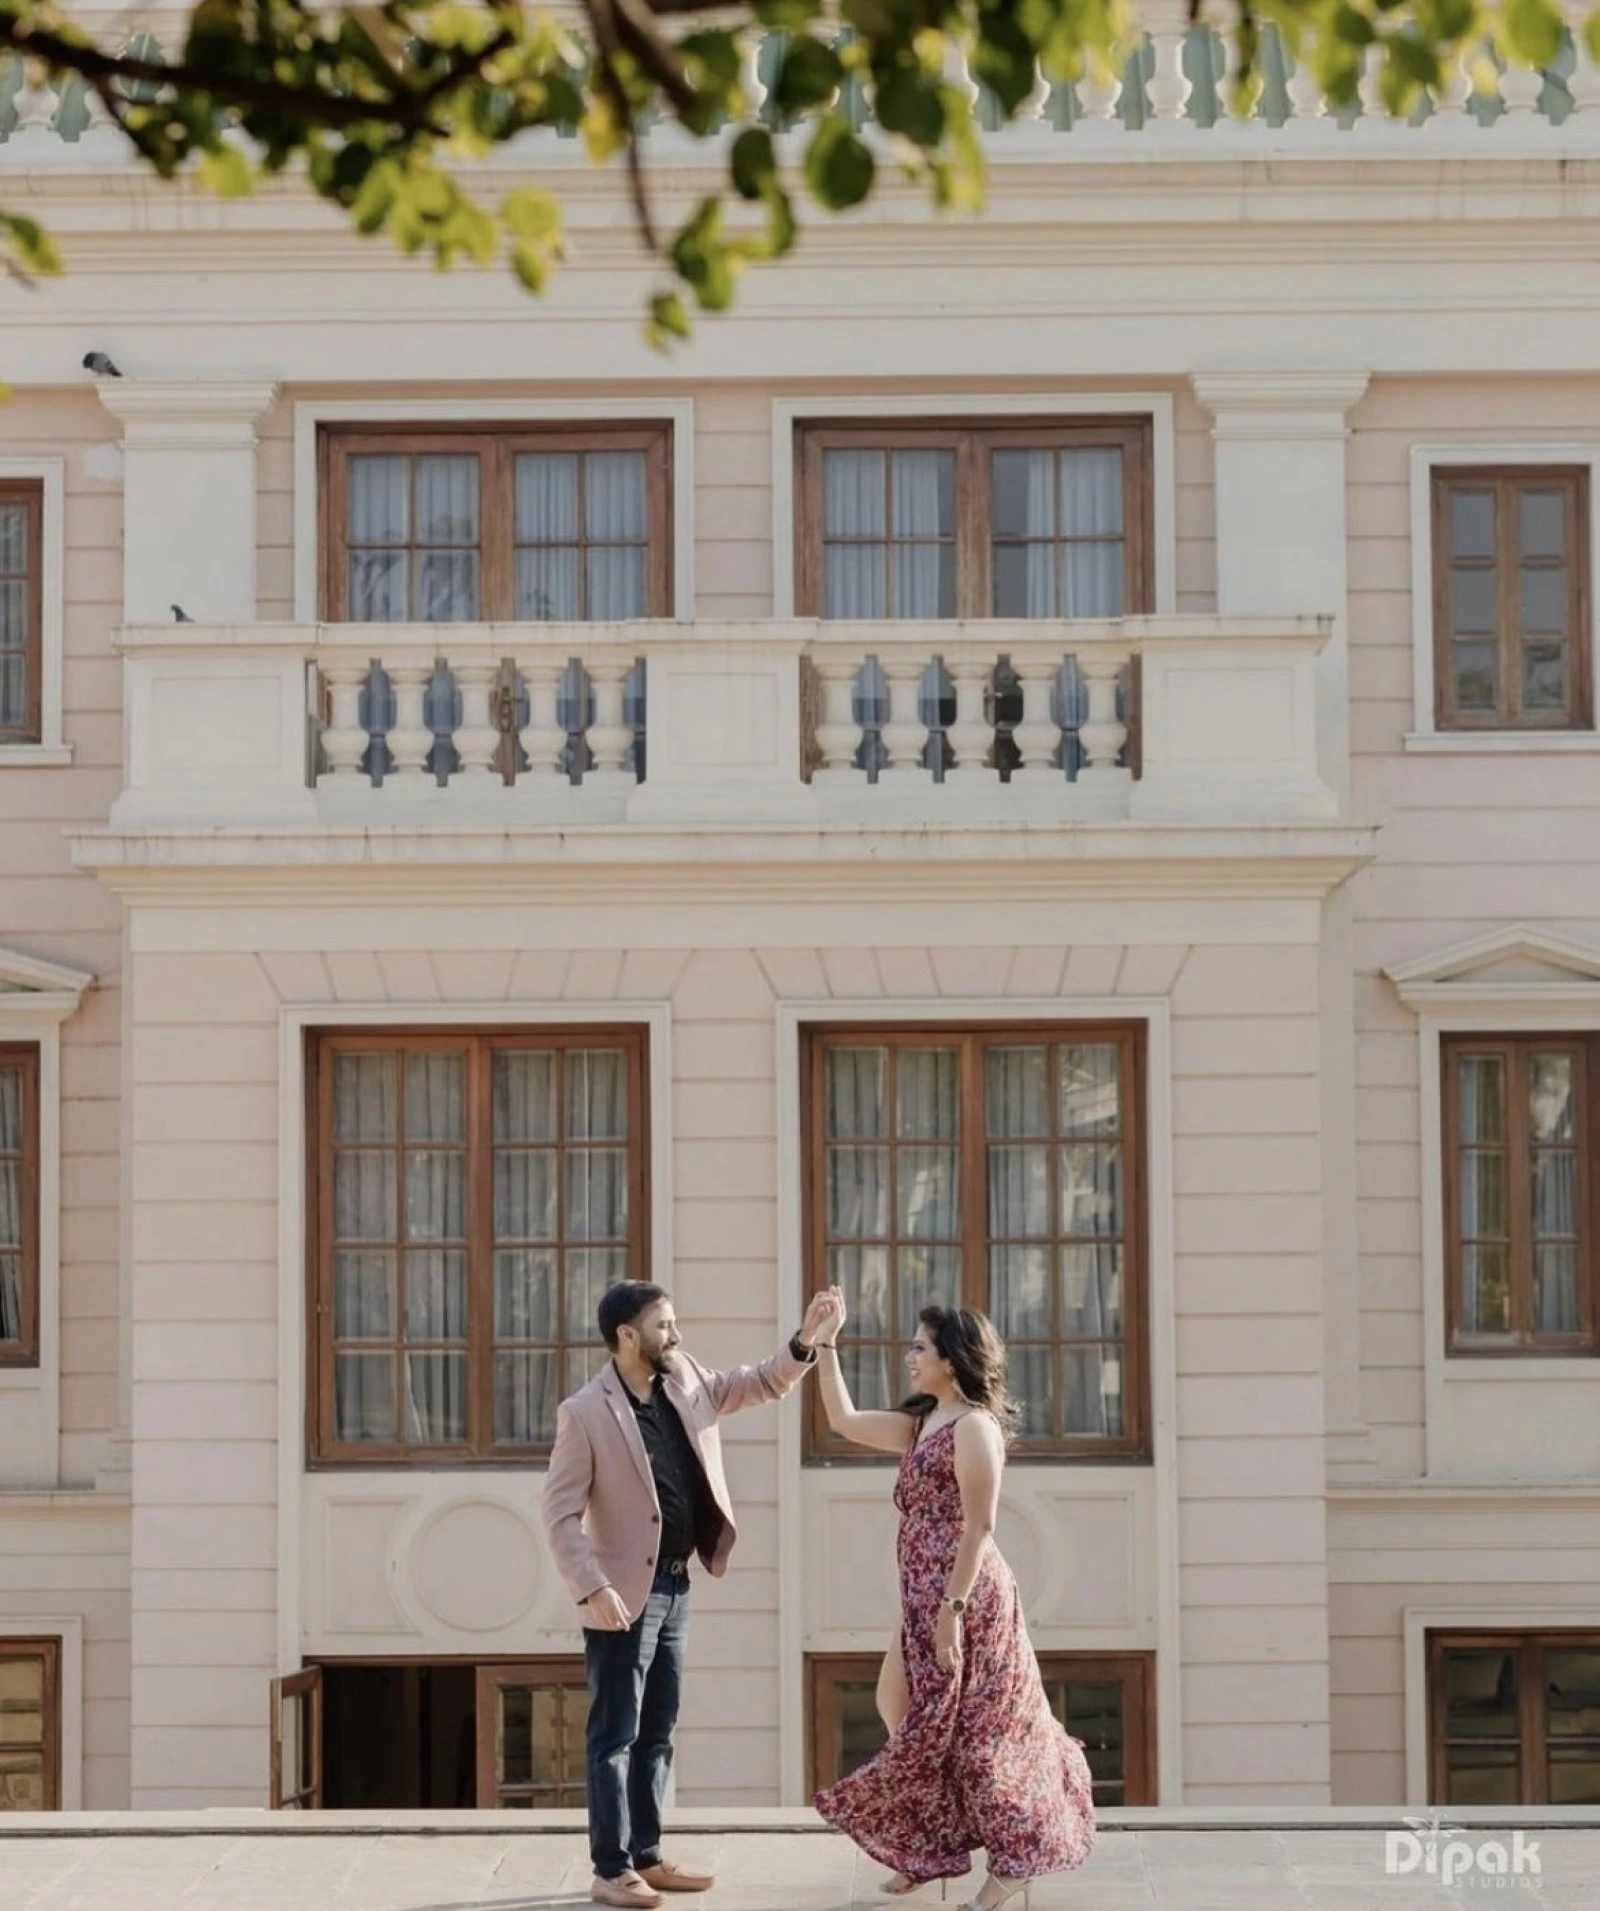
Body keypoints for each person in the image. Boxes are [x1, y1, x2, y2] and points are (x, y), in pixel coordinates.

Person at [543, 1281, 834, 1910]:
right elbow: (560, 1516)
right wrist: (591, 1588)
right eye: (664, 1327)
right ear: (627, 1336)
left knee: (658, 1730)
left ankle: (646, 1854)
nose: (675, 1336)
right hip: (620, 1598)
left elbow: (758, 1382)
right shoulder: (586, 1412)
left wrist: (804, 1340)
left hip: (677, 1583)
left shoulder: (686, 1377)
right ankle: (610, 1868)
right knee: (614, 1735)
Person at [808, 1287, 1096, 1911]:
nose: (910, 1356)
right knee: (897, 1704)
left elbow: (980, 1526)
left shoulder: (974, 1428)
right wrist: (825, 1342)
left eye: (920, 1347)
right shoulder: (922, 1424)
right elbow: (843, 1421)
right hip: (921, 1597)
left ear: (953, 1358)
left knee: (977, 1739)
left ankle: (1012, 1864)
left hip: (966, 1601)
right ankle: (926, 1847)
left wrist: (951, 1614)